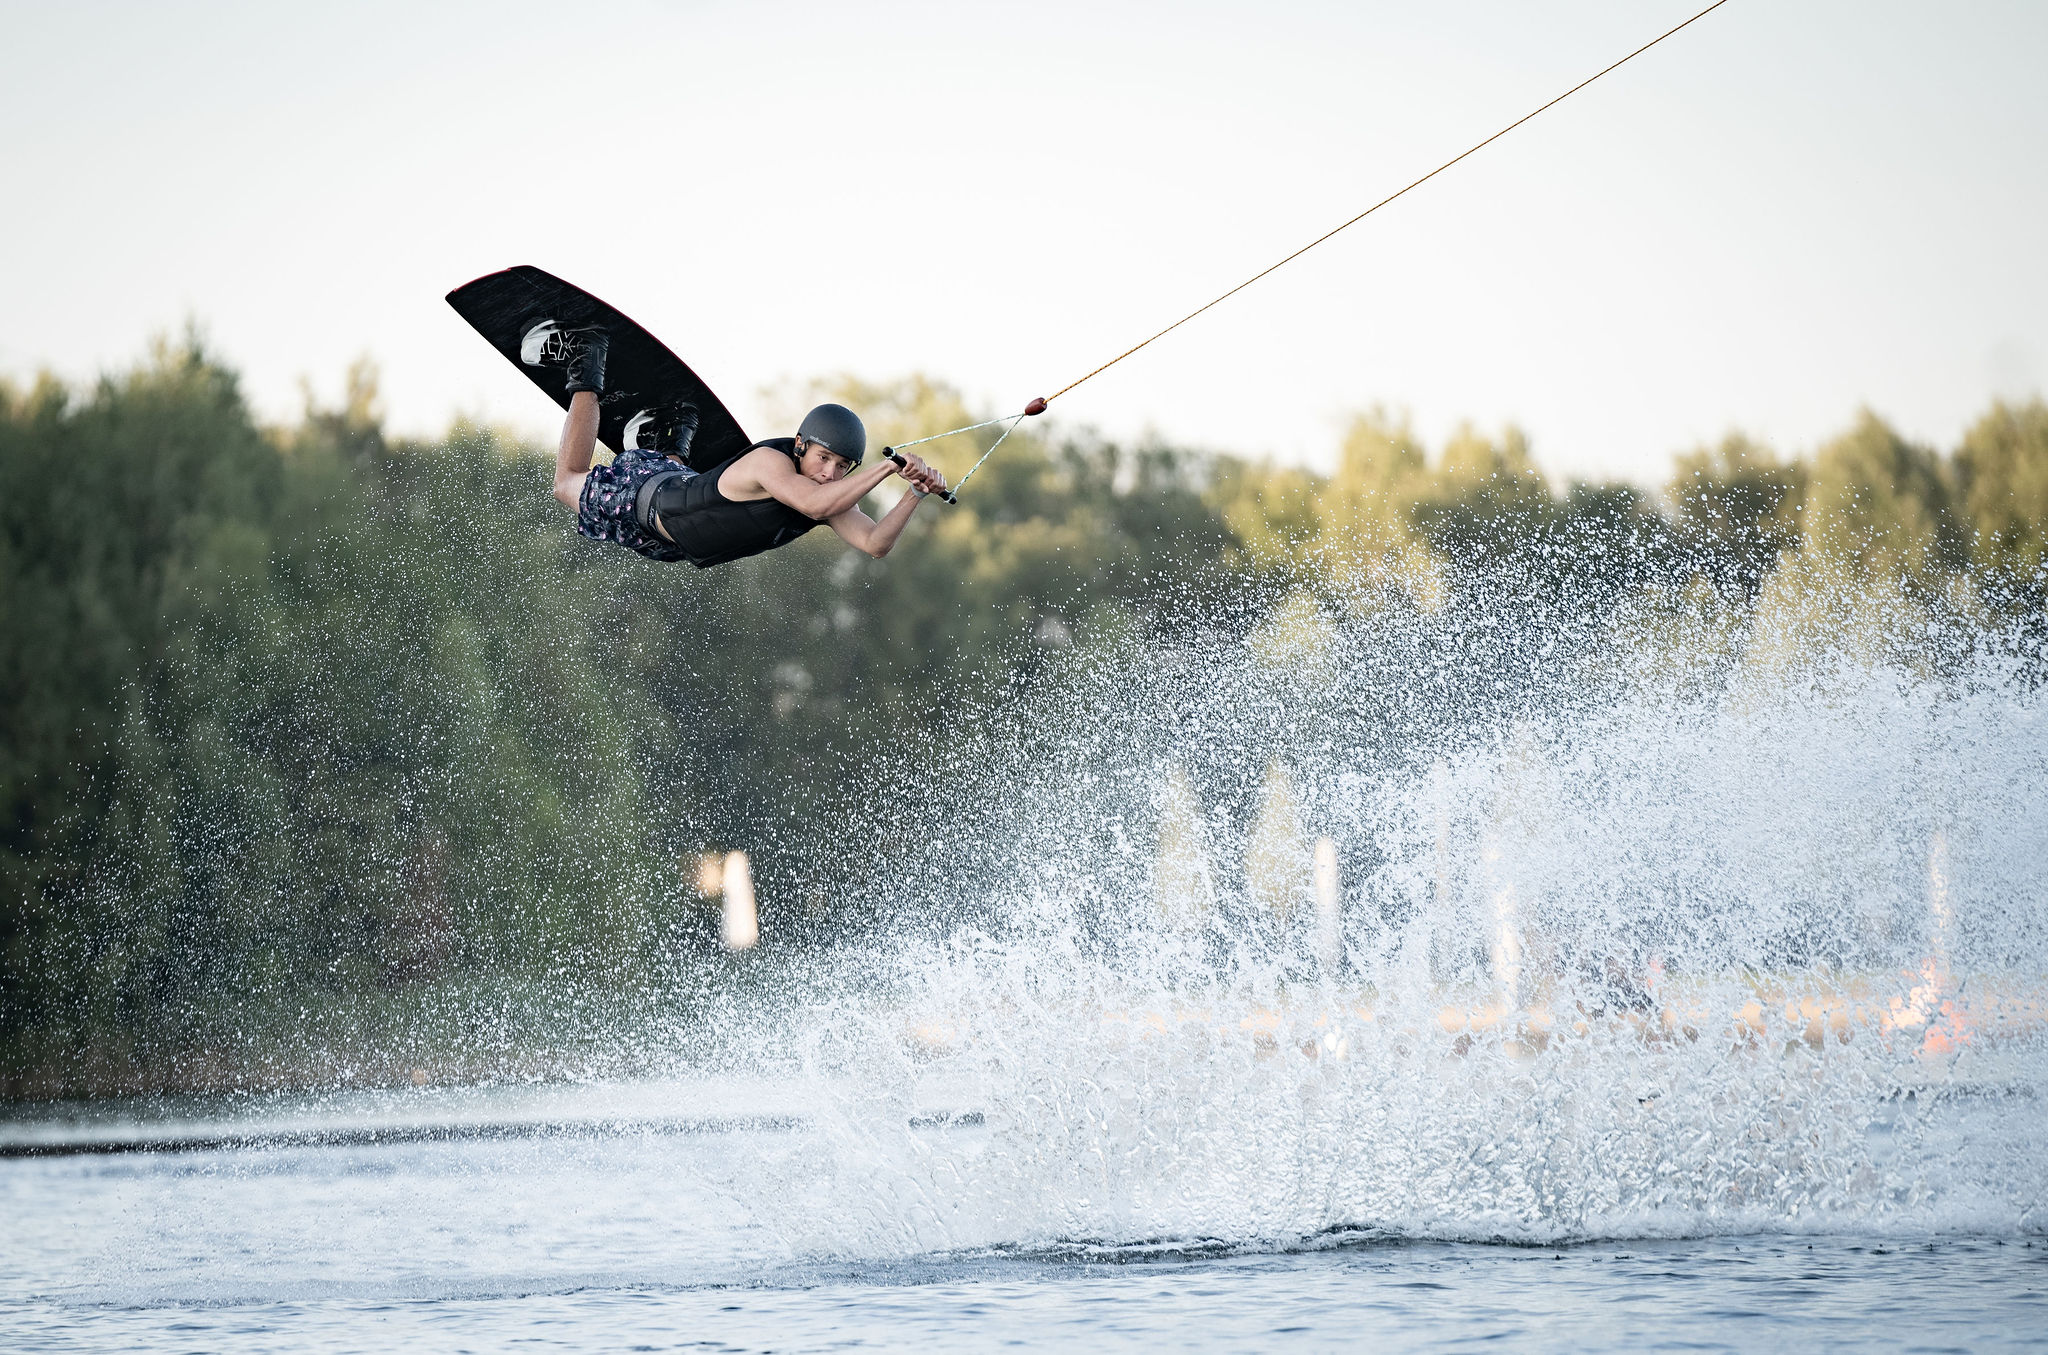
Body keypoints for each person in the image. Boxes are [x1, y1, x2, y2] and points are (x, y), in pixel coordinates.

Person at [528, 322, 950, 568]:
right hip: (644, 499)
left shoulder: (829, 493)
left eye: (843, 467)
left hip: (672, 537)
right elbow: (816, 506)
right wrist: (891, 467)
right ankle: (587, 360)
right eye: (824, 458)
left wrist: (914, 493)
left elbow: (875, 544)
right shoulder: (770, 463)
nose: (830, 474)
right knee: (566, 484)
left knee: (684, 483)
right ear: (800, 445)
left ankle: (676, 430)